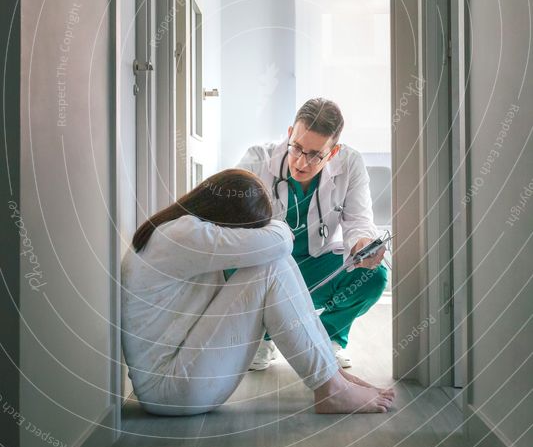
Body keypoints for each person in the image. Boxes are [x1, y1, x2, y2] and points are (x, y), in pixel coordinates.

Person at [121, 169, 395, 416]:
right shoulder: (184, 235)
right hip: (170, 390)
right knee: (271, 265)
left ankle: (331, 377)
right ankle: (331, 386)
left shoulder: (177, 229)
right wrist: (274, 223)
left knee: (273, 263)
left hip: (176, 380)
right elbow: (279, 242)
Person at [236, 98, 389, 371]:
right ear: (289, 134)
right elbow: (231, 223)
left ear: (333, 152)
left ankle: (328, 339)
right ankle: (263, 337)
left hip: (316, 268)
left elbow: (359, 221)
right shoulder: (258, 159)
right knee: (229, 265)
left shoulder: (350, 164)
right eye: (296, 147)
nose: (301, 161)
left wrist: (363, 244)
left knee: (373, 276)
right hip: (267, 270)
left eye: (315, 154)